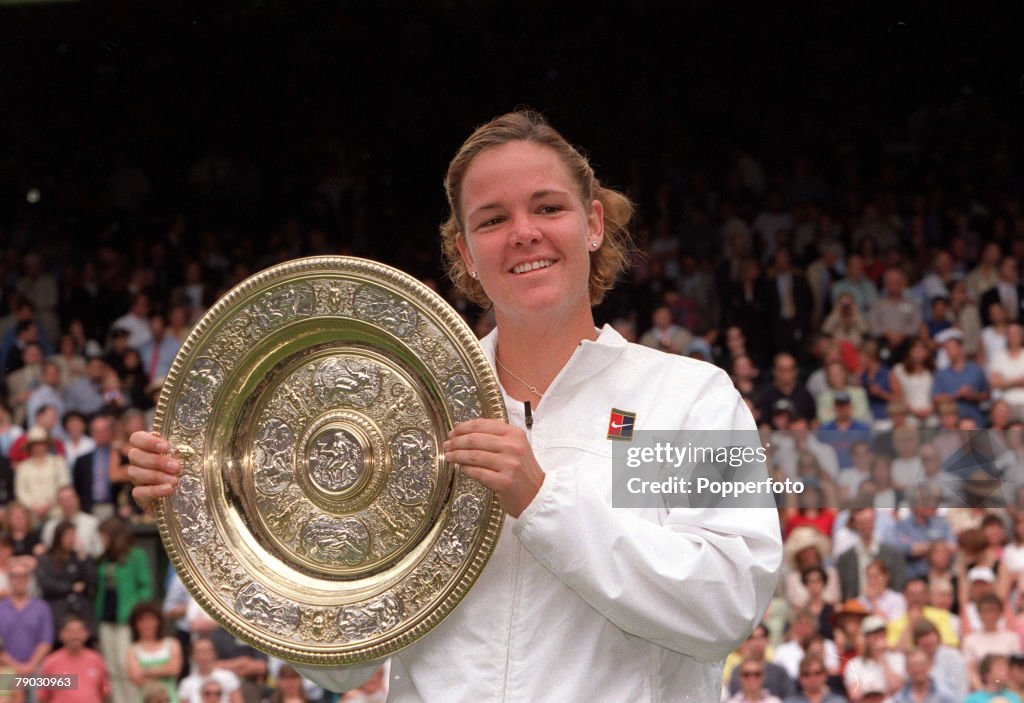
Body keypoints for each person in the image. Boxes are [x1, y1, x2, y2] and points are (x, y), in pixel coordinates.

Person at [126, 110, 782, 701]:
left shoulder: (685, 397)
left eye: (548, 207)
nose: (523, 233)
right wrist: (199, 502)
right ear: (466, 253)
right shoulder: (409, 415)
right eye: (492, 219)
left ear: (593, 223)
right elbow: (341, 663)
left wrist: (541, 499)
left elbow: (727, 602)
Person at [34, 521, 97, 637]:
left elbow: (91, 581)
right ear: (59, 537)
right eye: (68, 535)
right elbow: (46, 584)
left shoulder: (79, 558)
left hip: (80, 612)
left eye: (73, 535)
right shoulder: (46, 558)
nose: (71, 539)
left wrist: (83, 559)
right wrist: (70, 587)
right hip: (57, 612)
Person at [36, 614, 111, 703]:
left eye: (79, 631)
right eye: (70, 631)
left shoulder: (96, 660)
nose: (75, 636)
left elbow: (105, 693)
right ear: (61, 634)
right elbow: (43, 697)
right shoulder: (50, 662)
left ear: (86, 633)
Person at [126, 602, 183, 703]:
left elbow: (174, 669)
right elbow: (136, 678)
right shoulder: (132, 649)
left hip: (170, 698)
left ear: (158, 621)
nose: (147, 624)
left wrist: (145, 671)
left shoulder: (172, 643)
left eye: (151, 619)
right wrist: (164, 670)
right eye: (142, 620)